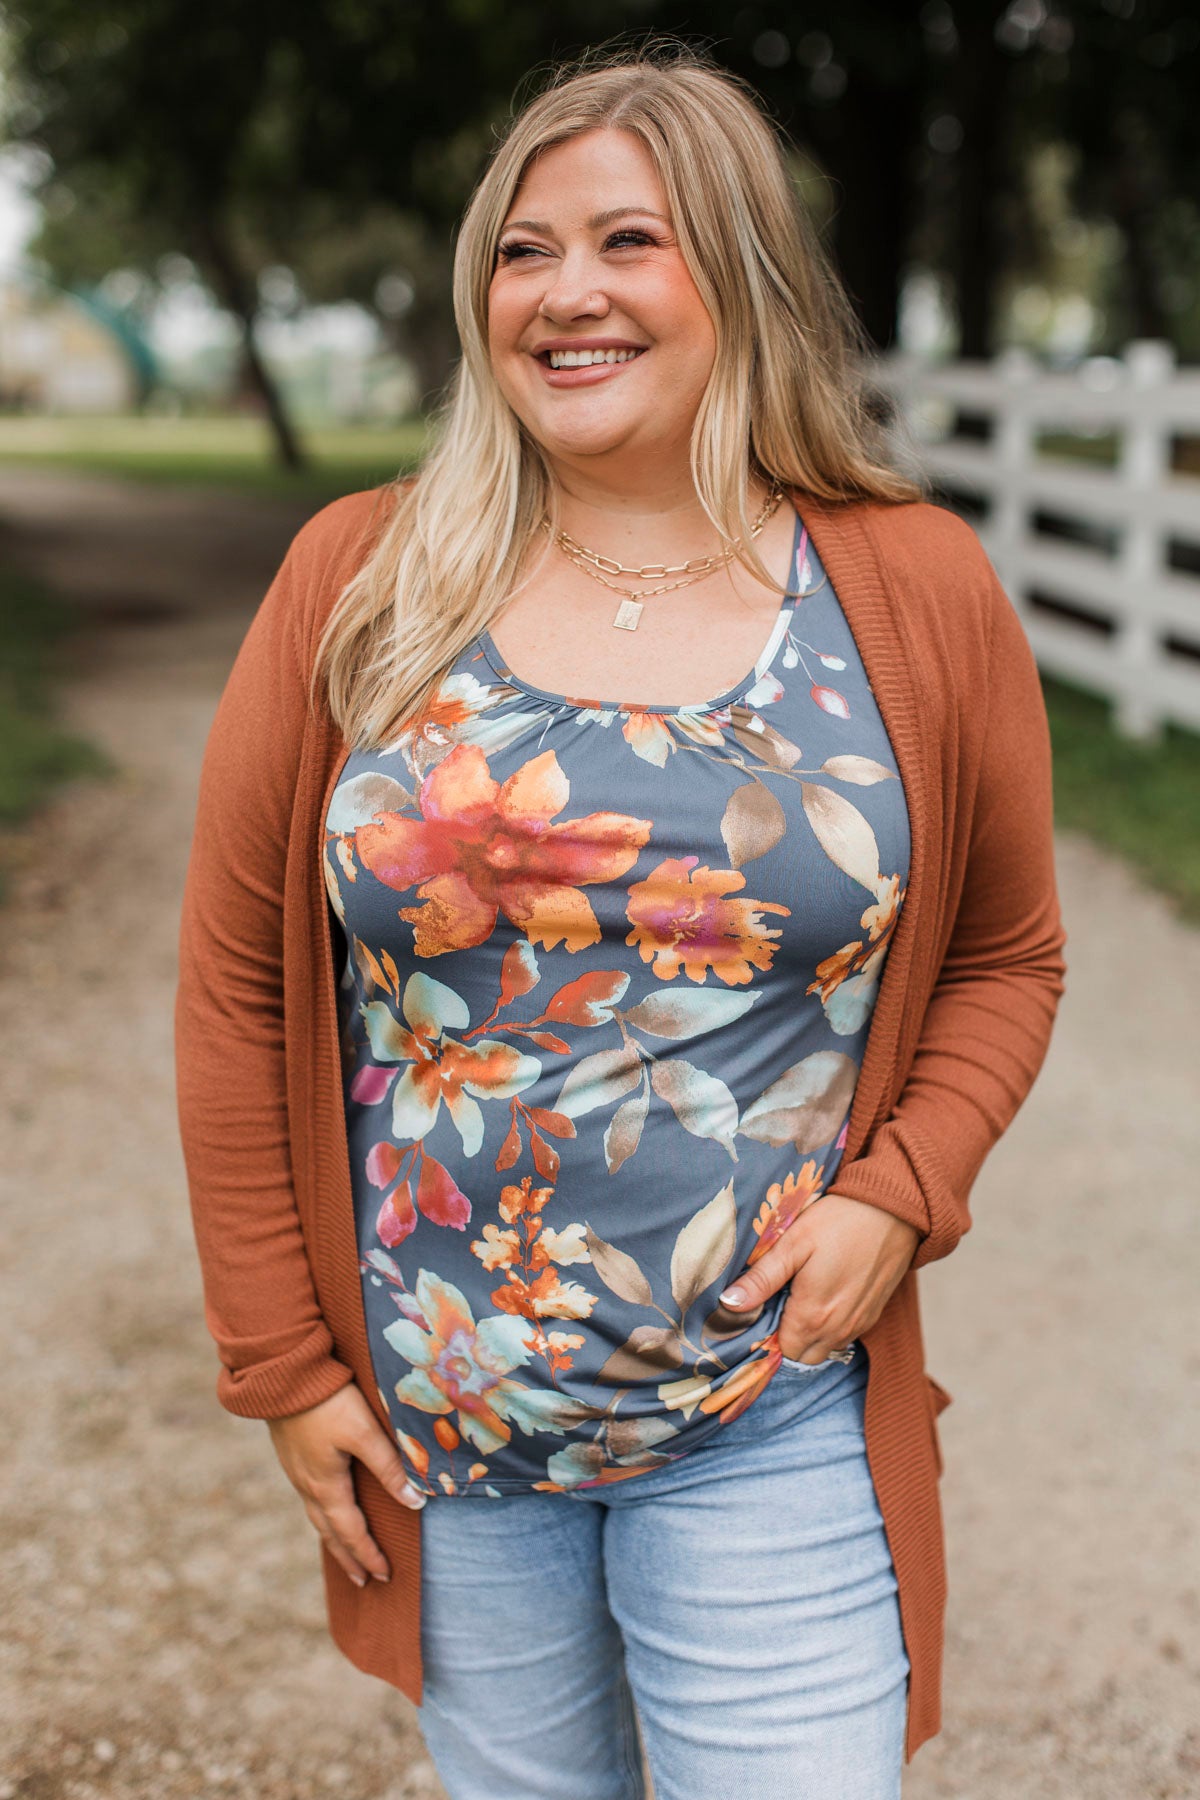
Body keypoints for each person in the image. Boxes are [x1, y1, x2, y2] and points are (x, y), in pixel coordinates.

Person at [174, 40, 1067, 1800]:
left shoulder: (909, 588)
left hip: (771, 1402)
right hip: (447, 1425)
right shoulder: (362, 581)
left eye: (627, 242)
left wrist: (901, 1192)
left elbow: (1004, 954)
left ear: (733, 276)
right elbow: (235, 999)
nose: (566, 293)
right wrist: (282, 1365)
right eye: (523, 250)